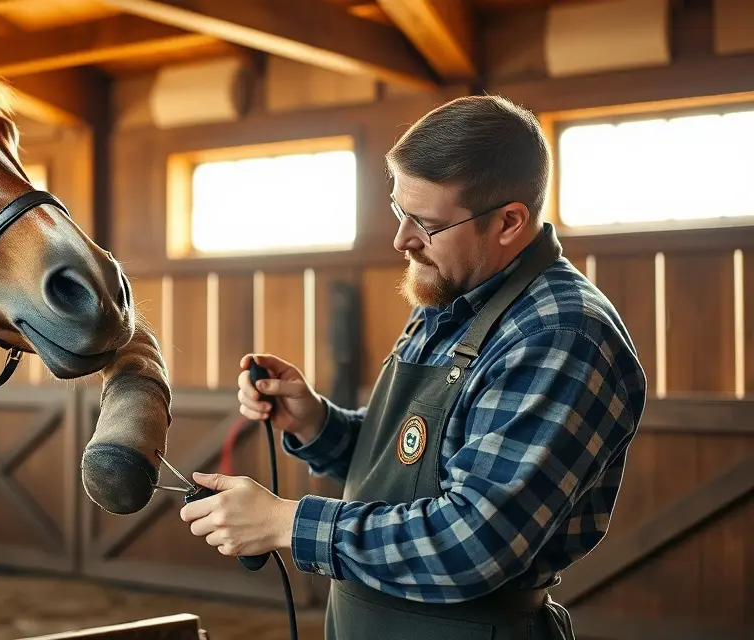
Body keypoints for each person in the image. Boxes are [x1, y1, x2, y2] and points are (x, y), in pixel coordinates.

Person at [179, 94, 647, 639]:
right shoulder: (451, 299)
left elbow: (473, 542)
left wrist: (286, 522)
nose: (402, 239)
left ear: (508, 222)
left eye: (425, 222)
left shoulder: (561, 335)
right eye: (400, 211)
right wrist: (316, 423)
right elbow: (413, 461)